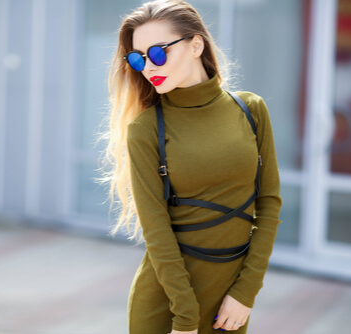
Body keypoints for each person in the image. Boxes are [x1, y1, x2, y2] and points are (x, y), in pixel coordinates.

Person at [101, 0, 282, 333]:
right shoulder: (144, 130)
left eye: (158, 53)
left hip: (230, 306)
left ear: (196, 44)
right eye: (138, 58)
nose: (148, 67)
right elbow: (157, 233)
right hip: (167, 304)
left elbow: (268, 205)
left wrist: (245, 293)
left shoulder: (251, 110)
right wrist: (185, 319)